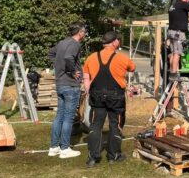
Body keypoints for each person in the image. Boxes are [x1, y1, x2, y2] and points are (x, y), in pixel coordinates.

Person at [82, 31, 135, 166]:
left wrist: (88, 91)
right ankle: (114, 156)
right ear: (115, 42)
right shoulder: (121, 58)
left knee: (95, 125)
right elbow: (132, 68)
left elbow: (86, 77)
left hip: (96, 96)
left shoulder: (91, 57)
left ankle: (93, 158)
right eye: (118, 40)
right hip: (116, 97)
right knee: (115, 125)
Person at [49, 22, 86, 159]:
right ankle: (65, 148)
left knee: (60, 115)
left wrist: (59, 66)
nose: (85, 34)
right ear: (80, 32)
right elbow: (68, 57)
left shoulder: (62, 43)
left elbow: (51, 53)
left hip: (60, 84)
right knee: (68, 117)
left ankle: (54, 147)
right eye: (84, 31)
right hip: (70, 85)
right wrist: (72, 71)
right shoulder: (75, 44)